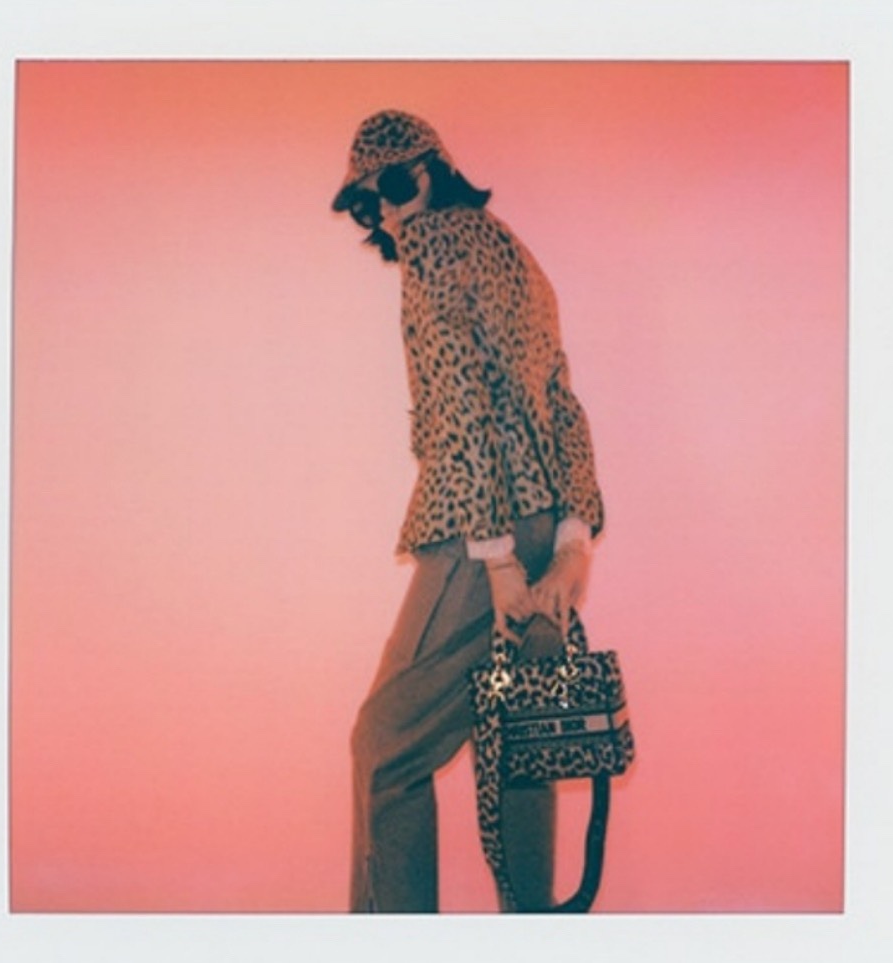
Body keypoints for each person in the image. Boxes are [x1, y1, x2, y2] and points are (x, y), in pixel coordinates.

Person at [331, 109, 604, 913]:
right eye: (367, 200)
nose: (387, 209)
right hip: (541, 523)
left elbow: (456, 406)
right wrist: (571, 539)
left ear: (436, 170)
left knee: (384, 747)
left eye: (395, 182)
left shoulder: (434, 243)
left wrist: (492, 557)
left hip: (477, 528)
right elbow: (560, 398)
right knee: (519, 741)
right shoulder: (515, 252)